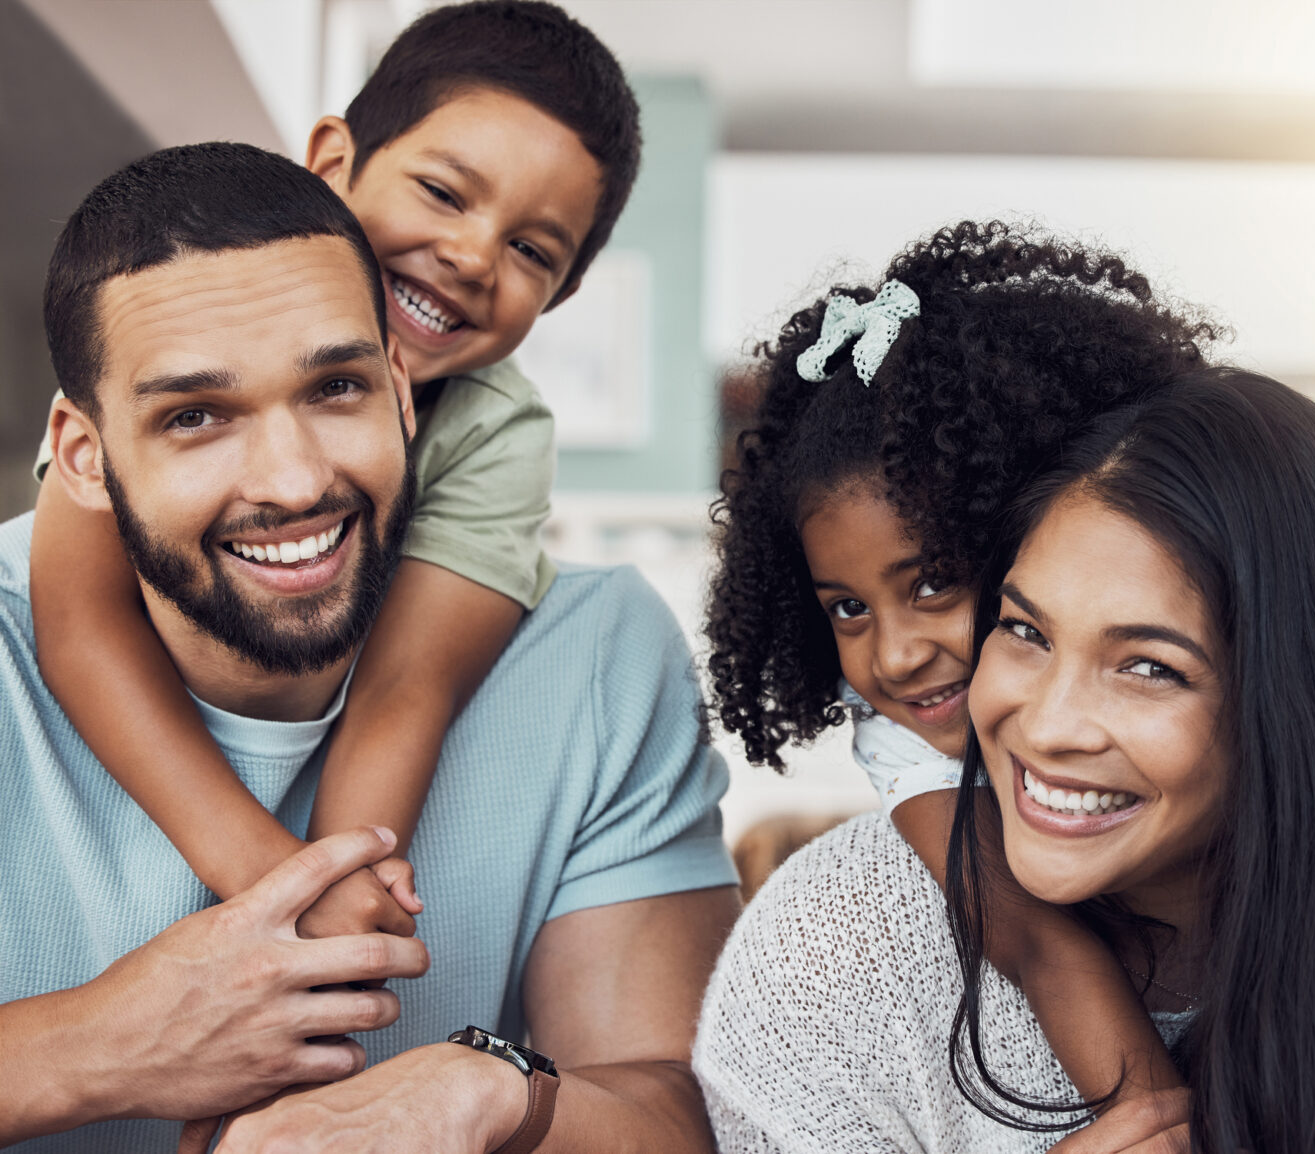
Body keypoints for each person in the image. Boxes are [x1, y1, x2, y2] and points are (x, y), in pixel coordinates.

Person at [0, 142, 737, 1153]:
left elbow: (692, 1118)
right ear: (84, 458)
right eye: (196, 416)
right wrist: (103, 1045)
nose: (295, 481)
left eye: (335, 388)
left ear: (399, 386)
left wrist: (481, 1093)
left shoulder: (597, 656)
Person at [696, 362, 1315, 1151]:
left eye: (1149, 667)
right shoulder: (827, 959)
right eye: (1024, 631)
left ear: (1306, 693)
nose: (1049, 728)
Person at [28, 0, 639, 939]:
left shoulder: (500, 434)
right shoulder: (171, 320)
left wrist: (344, 895)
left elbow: (406, 688)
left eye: (530, 250)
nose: (472, 257)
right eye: (443, 193)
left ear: (564, 292)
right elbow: (80, 627)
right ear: (333, 162)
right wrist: (278, 890)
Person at [700, 222, 1217, 1118]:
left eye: (934, 583)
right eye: (848, 609)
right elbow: (1045, 948)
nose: (895, 655)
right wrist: (1158, 1125)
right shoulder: (906, 753)